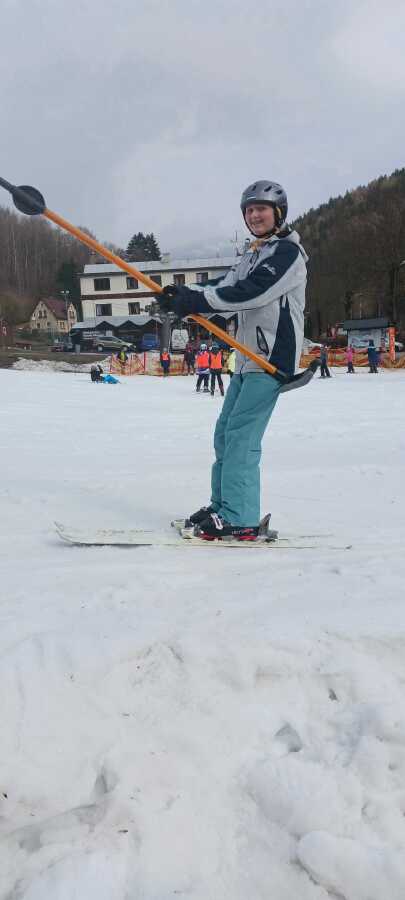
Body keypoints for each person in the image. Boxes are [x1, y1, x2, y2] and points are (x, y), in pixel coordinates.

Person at [156, 179, 307, 540]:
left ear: (278, 213)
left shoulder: (287, 254)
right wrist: (184, 294)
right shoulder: (254, 254)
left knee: (241, 436)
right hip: (247, 359)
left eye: (261, 209)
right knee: (225, 434)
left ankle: (240, 517)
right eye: (249, 210)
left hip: (270, 360)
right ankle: (223, 506)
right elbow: (224, 284)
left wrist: (195, 302)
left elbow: (251, 293)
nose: (254, 215)